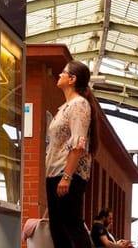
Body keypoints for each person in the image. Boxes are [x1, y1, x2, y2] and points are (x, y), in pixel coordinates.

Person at [45, 60, 97, 248]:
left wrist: (66, 176)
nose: (59, 75)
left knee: (71, 225)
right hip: (55, 173)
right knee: (58, 229)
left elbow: (78, 144)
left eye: (63, 72)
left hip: (67, 174)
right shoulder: (65, 107)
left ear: (72, 79)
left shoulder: (79, 105)